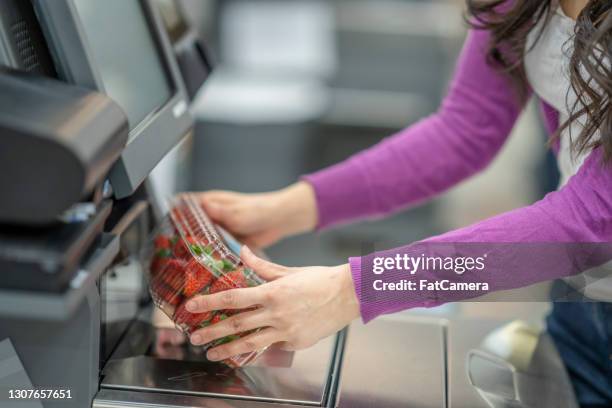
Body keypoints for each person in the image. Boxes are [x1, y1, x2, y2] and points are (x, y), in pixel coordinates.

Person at [183, 0, 611, 405]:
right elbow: (464, 131)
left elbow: (591, 219)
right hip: (584, 303)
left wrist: (351, 291)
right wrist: (285, 209)